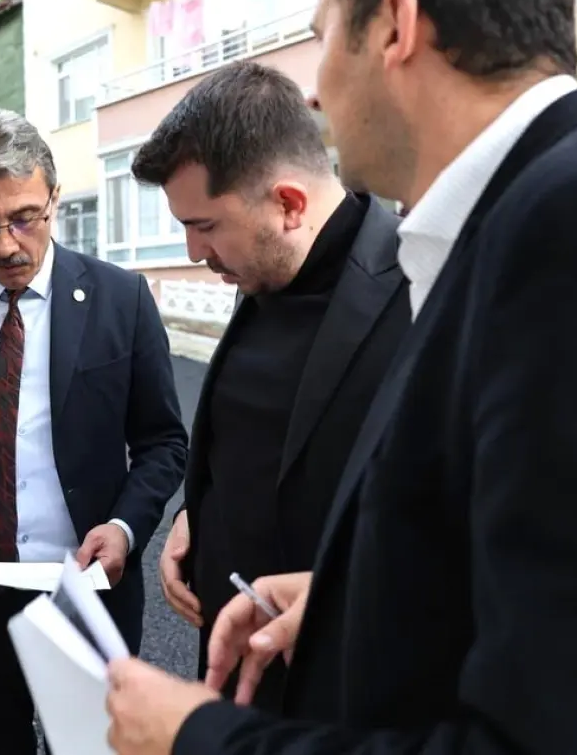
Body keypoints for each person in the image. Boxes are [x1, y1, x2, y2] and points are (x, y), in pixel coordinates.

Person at [102, 0, 577, 753]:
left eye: (322, 35)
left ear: (396, 27)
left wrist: (197, 737)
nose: (314, 91)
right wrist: (351, 597)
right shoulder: (519, 221)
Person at [0, 108, 189, 755]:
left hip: (85, 596)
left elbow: (162, 441)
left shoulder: (121, 300)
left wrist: (125, 527)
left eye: (25, 217)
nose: (6, 245)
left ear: (54, 198)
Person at [135, 60, 408, 710]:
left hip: (340, 688)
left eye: (205, 226)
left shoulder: (423, 289)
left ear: (288, 204)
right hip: (232, 669)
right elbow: (248, 434)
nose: (194, 252)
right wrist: (194, 515)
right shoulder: (259, 271)